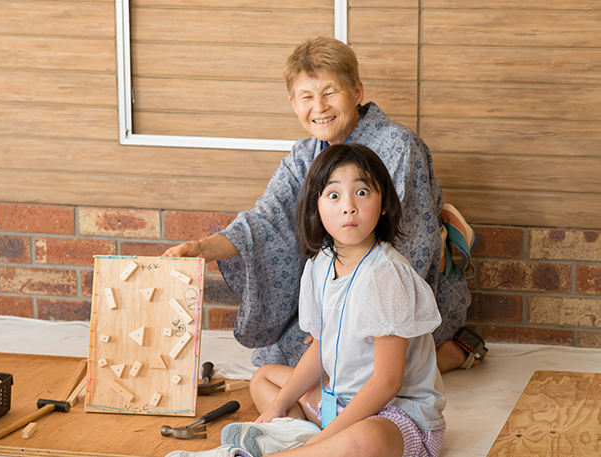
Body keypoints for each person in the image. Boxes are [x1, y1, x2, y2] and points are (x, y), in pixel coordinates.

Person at [163, 36, 484, 372]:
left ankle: (447, 352)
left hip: (391, 290)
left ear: (356, 93)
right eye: (306, 96)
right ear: (293, 103)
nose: (319, 106)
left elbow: (412, 243)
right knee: (274, 357)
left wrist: (343, 320)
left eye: (330, 92)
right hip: (338, 288)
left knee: (350, 362)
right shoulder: (303, 156)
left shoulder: (397, 145)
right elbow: (266, 221)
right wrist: (203, 248)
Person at [166, 143, 445, 457]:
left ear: (384, 204)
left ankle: (290, 448)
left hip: (394, 418)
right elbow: (320, 347)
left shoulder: (386, 275)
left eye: (362, 192)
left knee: (366, 439)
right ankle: (297, 436)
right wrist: (278, 407)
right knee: (264, 378)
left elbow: (387, 383)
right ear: (317, 206)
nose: (349, 207)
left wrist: (325, 437)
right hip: (338, 403)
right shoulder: (320, 264)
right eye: (334, 195)